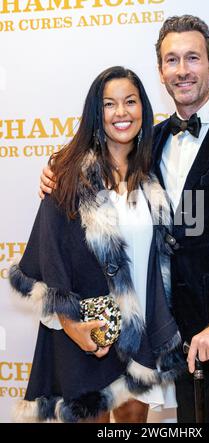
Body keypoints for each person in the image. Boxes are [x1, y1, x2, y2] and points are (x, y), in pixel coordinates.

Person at [39, 16, 209, 423]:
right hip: (178, 330)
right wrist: (56, 173)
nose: (182, 69)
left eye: (193, 58)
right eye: (171, 60)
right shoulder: (148, 142)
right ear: (161, 72)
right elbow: (101, 167)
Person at [9, 66, 184, 423]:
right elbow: (49, 257)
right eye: (109, 104)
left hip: (143, 336)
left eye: (130, 102)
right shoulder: (69, 177)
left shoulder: (155, 172)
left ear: (143, 109)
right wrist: (70, 323)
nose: (121, 112)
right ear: (96, 113)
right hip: (90, 338)